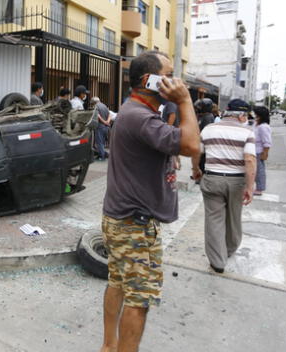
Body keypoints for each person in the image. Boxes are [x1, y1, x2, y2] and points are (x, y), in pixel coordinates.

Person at [100, 51, 200, 352]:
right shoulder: (140, 116)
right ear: (149, 80)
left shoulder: (134, 112)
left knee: (118, 281)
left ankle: (109, 346)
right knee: (139, 299)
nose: (176, 81)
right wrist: (184, 101)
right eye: (169, 74)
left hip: (122, 218)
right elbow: (193, 145)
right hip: (135, 224)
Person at [191, 98, 256, 274]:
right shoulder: (248, 133)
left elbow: (197, 151)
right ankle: (229, 249)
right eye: (246, 115)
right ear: (241, 115)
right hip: (236, 181)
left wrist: (196, 169)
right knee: (234, 217)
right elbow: (249, 160)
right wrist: (250, 187)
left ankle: (217, 261)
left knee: (214, 219)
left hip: (212, 179)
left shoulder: (209, 129)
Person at [253, 106, 272, 196]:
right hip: (253, 151)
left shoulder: (263, 127)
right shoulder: (257, 124)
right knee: (253, 170)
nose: (254, 115)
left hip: (258, 151)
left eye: (256, 113)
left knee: (259, 171)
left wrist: (265, 153)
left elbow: (267, 142)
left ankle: (259, 188)